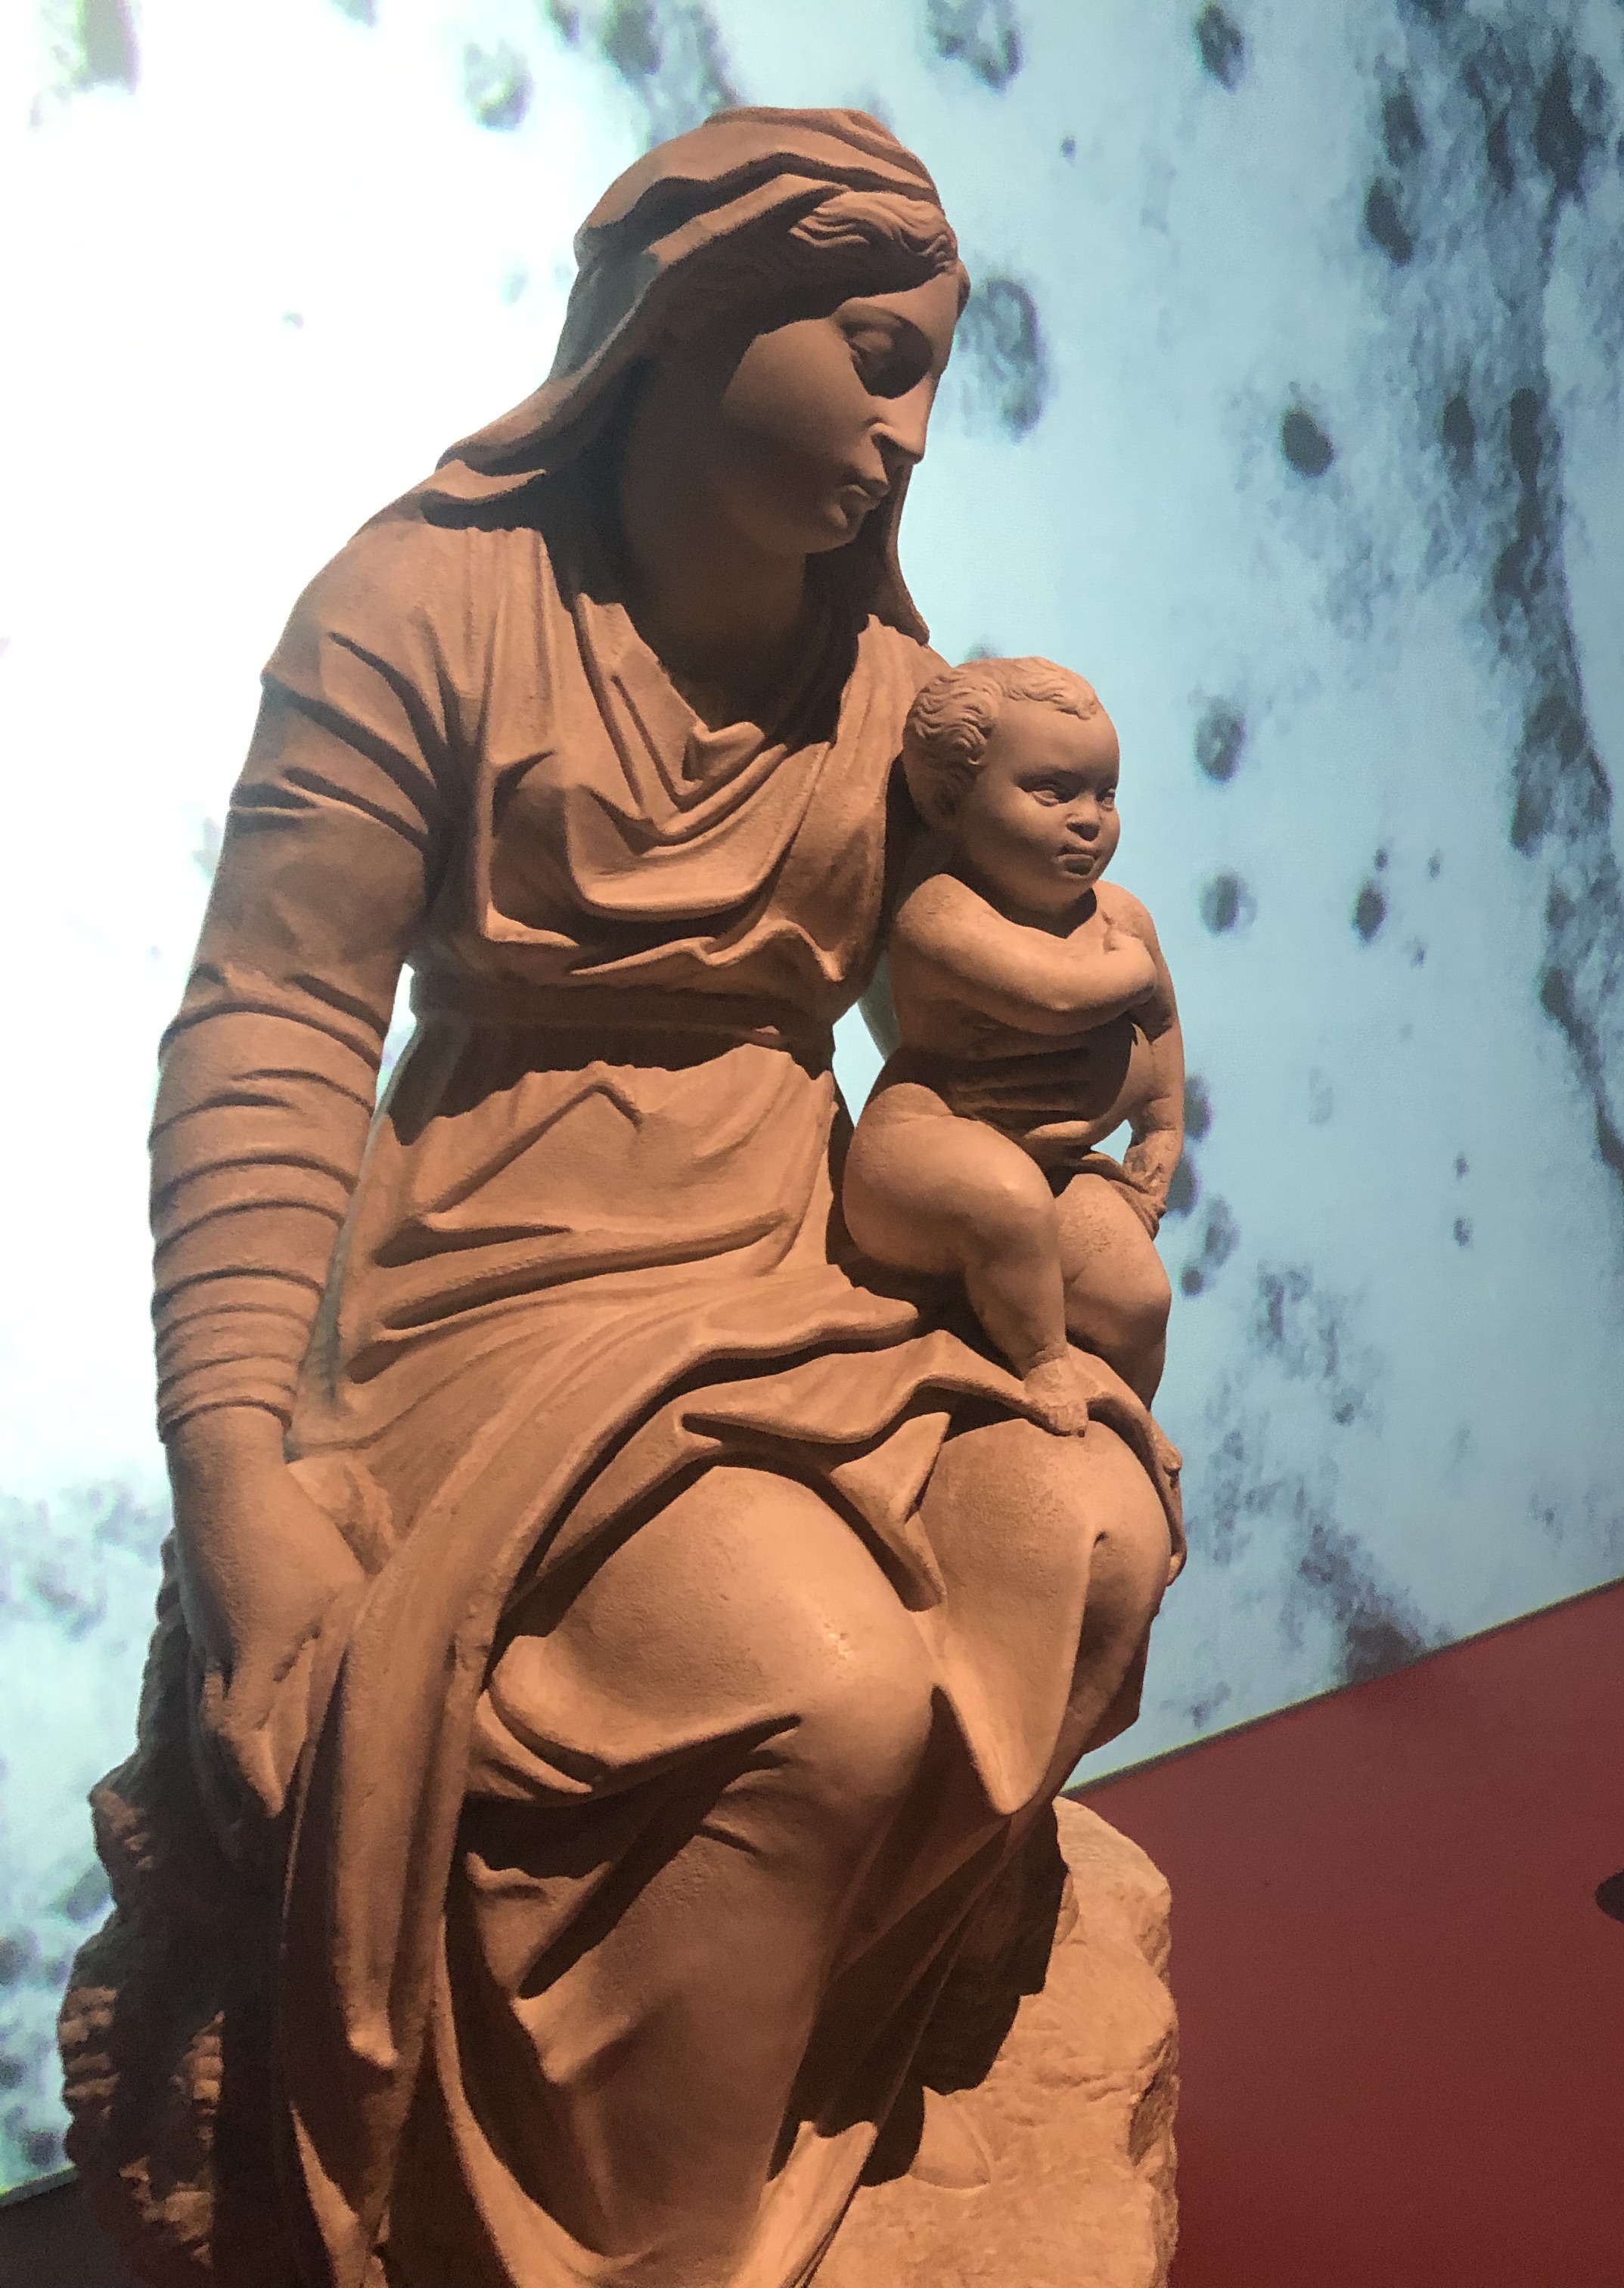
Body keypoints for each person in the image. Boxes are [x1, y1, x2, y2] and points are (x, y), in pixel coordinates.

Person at [63, 110, 1182, 2288]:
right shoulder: (422, 606)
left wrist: (1084, 1107)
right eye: (873, 359)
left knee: (1088, 1543)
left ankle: (828, 2100)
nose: (908, 433)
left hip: (805, 1260)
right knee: (816, 1688)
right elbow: (273, 1026)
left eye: (933, 381)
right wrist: (235, 1484)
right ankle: (633, 2249)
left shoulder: (886, 691)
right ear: (693, 314)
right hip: (497, 1292)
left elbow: (968, 1016)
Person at [846, 655, 1182, 1433]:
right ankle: (1043, 1363)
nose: (1089, 819)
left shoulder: (1121, 915)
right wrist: (1133, 970)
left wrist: (1161, 1134)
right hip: (923, 1148)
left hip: (1052, 1167)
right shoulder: (940, 915)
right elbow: (1057, 998)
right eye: (1053, 792)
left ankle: (1136, 1428)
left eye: (1105, 795)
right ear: (950, 802)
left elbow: (1164, 1029)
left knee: (1141, 1299)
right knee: (1007, 1203)